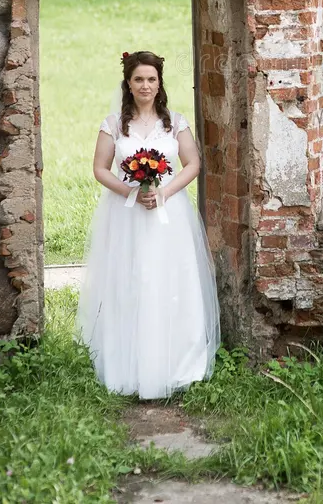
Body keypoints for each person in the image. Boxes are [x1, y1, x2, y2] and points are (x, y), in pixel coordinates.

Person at [76, 50, 220, 399]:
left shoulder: (175, 122)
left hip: (169, 216)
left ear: (159, 83)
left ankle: (176, 363)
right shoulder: (113, 124)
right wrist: (131, 190)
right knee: (131, 281)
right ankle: (130, 364)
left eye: (151, 79)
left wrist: (164, 193)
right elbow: (99, 168)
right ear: (128, 83)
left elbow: (193, 163)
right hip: (125, 215)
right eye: (139, 79)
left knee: (170, 279)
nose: (145, 85)